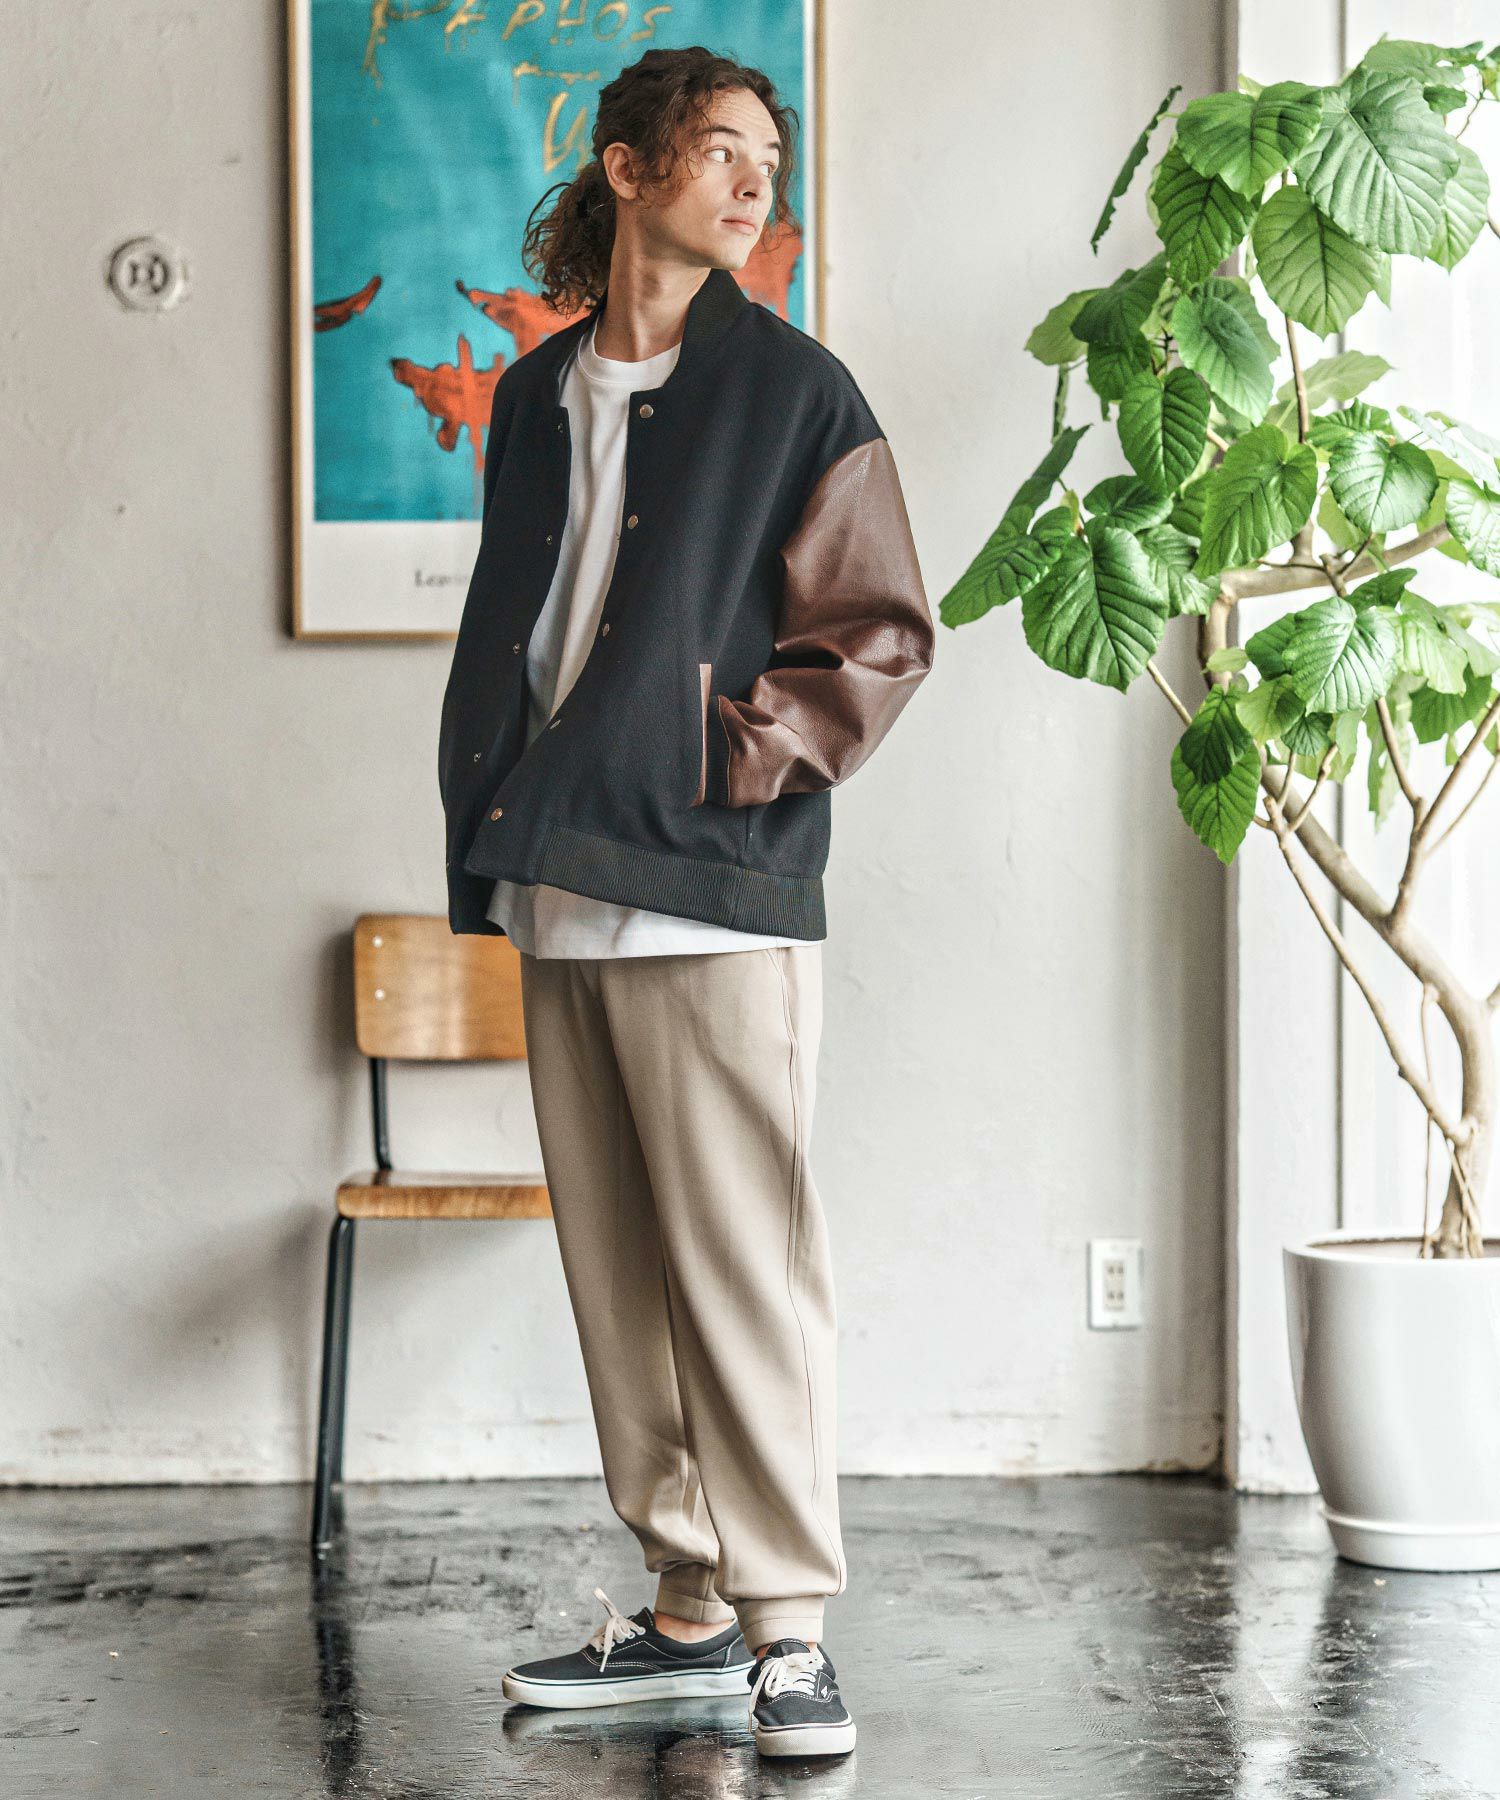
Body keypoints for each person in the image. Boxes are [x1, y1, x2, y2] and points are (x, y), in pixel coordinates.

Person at [437, 44, 933, 1761]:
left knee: (743, 1266)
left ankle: (789, 1631)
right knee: (622, 1277)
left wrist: (729, 758)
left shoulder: (795, 390)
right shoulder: (533, 396)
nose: (751, 185)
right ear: (629, 168)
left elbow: (878, 636)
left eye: (767, 166)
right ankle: (687, 1614)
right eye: (721, 151)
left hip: (713, 891)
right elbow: (527, 629)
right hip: (557, 879)